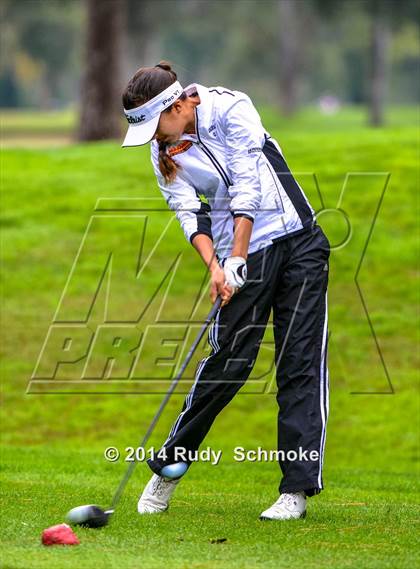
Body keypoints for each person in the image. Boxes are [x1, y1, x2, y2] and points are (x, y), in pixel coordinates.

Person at [121, 61, 330, 521]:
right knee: (227, 366)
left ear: (178, 105)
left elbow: (247, 182)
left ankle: (294, 490)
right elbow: (186, 210)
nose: (154, 137)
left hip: (297, 241)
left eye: (156, 125)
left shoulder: (232, 108)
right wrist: (217, 266)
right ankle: (169, 470)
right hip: (237, 254)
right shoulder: (164, 149)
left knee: (299, 365)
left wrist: (237, 256)